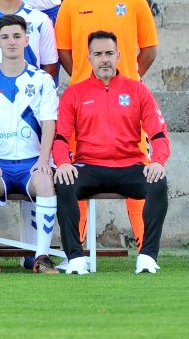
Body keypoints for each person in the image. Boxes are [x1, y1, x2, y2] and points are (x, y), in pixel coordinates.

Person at [54, 0, 159, 246]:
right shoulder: (72, 4)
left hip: (127, 103)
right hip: (82, 103)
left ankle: (145, 247)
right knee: (75, 168)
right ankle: (77, 245)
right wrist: (88, 83)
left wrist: (127, 79)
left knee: (138, 166)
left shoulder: (135, 1)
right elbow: (64, 53)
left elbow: (149, 50)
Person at [53, 31, 170, 275]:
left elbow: (158, 134)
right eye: (98, 54)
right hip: (89, 166)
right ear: (89, 58)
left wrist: (157, 161)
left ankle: (147, 257)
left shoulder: (138, 90)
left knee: (158, 181)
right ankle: (75, 258)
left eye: (109, 53)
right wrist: (63, 162)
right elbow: (61, 138)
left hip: (131, 165)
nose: (104, 59)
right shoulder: (74, 93)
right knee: (64, 181)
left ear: (118, 56)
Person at [0, 15, 60, 274]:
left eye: (17, 36)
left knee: (45, 182)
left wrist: (44, 161)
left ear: (27, 40)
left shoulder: (42, 80)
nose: (12, 42)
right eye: (6, 37)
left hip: (32, 162)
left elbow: (49, 123)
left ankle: (41, 257)